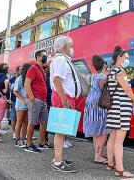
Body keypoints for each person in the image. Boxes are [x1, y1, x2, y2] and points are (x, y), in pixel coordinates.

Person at [50, 36, 80, 173]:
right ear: (64, 47)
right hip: (64, 97)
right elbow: (57, 80)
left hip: (65, 97)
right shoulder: (61, 60)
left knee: (63, 130)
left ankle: (59, 158)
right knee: (61, 130)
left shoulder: (62, 59)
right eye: (71, 45)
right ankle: (57, 161)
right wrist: (64, 100)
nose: (72, 48)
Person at [106, 46, 134, 178]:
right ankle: (120, 169)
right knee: (119, 140)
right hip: (121, 109)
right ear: (119, 57)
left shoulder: (111, 71)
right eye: (125, 57)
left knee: (112, 136)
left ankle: (110, 163)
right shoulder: (119, 71)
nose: (127, 59)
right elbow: (127, 88)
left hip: (114, 108)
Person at [24, 49, 52, 152]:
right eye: (44, 56)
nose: (45, 57)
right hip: (35, 100)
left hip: (43, 100)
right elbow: (26, 84)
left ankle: (42, 143)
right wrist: (32, 98)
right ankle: (29, 144)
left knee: (44, 122)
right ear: (38, 57)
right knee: (32, 122)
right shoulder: (33, 69)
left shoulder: (41, 69)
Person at [83, 56, 109, 164]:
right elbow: (104, 90)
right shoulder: (103, 76)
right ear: (104, 65)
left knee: (96, 132)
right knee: (103, 131)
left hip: (91, 103)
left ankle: (98, 154)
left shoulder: (94, 76)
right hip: (99, 104)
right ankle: (98, 156)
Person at [13, 63, 31, 147]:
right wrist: (23, 100)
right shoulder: (19, 79)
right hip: (21, 104)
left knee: (26, 122)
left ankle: (23, 139)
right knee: (19, 121)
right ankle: (17, 140)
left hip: (28, 103)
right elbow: (15, 91)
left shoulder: (29, 78)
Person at [9, 66, 21, 139]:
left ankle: (22, 133)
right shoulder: (12, 80)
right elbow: (9, 90)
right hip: (14, 100)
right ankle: (14, 132)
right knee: (14, 118)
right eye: (20, 70)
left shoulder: (24, 78)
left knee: (22, 118)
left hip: (21, 102)